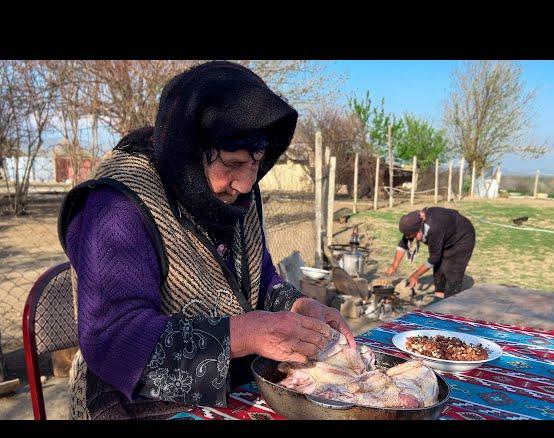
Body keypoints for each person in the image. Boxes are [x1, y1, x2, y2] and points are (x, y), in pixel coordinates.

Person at [59, 61, 355, 419]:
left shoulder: (238, 196)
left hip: (233, 385)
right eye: (231, 163)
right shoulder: (116, 207)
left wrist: (299, 307)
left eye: (255, 163)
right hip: (135, 399)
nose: (246, 183)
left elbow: (260, 282)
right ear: (188, 153)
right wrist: (245, 332)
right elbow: (114, 339)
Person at [385, 206, 475, 301]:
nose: (411, 237)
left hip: (462, 238)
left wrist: (415, 275)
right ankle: (438, 301)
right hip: (446, 235)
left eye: (412, 235)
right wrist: (394, 265)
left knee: (453, 272)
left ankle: (452, 302)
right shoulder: (414, 222)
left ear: (418, 229)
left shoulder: (433, 228)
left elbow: (434, 258)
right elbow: (404, 242)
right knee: (439, 270)